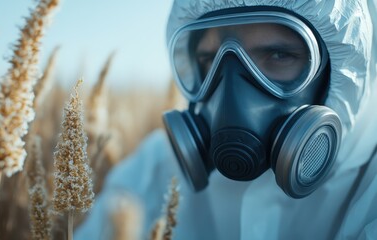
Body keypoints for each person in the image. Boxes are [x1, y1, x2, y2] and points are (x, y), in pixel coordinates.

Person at [76, 0, 377, 239]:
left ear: (336, 70)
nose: (231, 94)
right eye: (209, 60)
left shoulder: (370, 190)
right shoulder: (156, 169)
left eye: (277, 55)